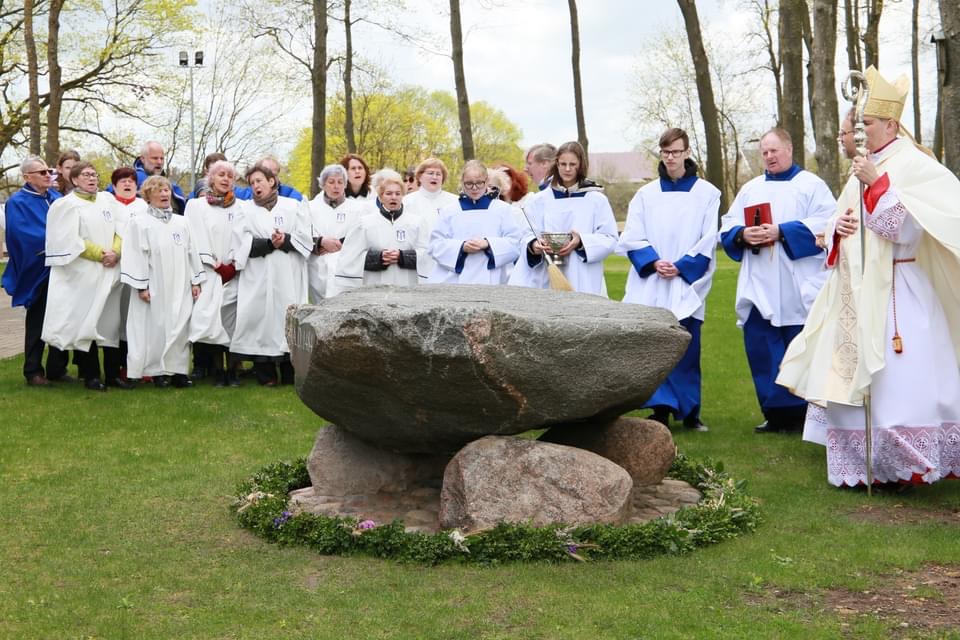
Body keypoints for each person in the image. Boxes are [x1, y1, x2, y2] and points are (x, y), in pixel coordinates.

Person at [778, 66, 960, 487]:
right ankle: (864, 466)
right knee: (851, 374)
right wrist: (837, 230)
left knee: (899, 380)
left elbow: (909, 231)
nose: (860, 133)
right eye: (858, 125)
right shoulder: (865, 164)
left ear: (892, 124)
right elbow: (841, 223)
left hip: (900, 289)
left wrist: (877, 186)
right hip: (856, 292)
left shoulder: (914, 165)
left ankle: (905, 465)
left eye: (869, 124)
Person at [719, 128, 836, 433]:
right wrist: (743, 234)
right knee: (763, 348)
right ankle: (774, 413)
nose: (769, 157)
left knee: (797, 347)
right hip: (760, 281)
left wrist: (782, 231)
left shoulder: (811, 185)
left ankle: (803, 414)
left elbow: (828, 224)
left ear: (789, 149)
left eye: (774, 150)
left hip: (798, 282)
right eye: (765, 152)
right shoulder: (751, 189)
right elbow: (728, 225)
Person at [617, 128, 720, 432]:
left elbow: (708, 238)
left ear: (687, 152)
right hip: (653, 279)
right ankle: (660, 409)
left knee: (687, 347)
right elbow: (632, 235)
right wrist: (653, 261)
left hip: (685, 280)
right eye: (665, 152)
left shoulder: (707, 193)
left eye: (676, 152)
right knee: (654, 346)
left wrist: (682, 266)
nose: (671, 158)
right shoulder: (646, 195)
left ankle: (690, 411)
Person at [41, 162, 129, 391]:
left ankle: (113, 375)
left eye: (94, 174)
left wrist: (116, 251)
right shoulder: (65, 205)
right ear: (74, 179)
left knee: (111, 323)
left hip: (110, 271)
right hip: (84, 273)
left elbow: (123, 228)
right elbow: (68, 239)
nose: (92, 178)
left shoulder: (108, 200)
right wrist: (101, 254)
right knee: (88, 321)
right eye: (86, 175)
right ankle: (91, 375)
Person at [230, 163, 311, 386]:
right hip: (258, 273)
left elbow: (305, 238)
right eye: (252, 183)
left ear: (271, 181)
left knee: (287, 315)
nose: (256, 186)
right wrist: (268, 243)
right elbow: (239, 242)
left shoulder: (293, 206)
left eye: (259, 181)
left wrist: (285, 240)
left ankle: (289, 371)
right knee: (260, 318)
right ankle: (265, 374)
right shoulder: (244, 210)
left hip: (287, 272)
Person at [120, 175, 204, 388]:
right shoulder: (139, 223)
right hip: (154, 284)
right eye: (159, 190)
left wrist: (195, 281)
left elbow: (192, 252)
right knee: (154, 328)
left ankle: (178, 371)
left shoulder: (182, 222)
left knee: (179, 325)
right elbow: (134, 255)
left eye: (167, 190)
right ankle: (156, 372)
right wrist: (141, 286)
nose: (164, 194)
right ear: (148, 196)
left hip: (179, 283)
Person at [509, 140, 618, 296]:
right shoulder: (539, 200)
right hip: (545, 275)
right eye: (563, 164)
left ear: (581, 165)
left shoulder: (596, 200)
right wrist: (534, 245)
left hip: (582, 274)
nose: (567, 169)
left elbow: (610, 238)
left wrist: (581, 241)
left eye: (572, 164)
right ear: (556, 164)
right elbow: (525, 234)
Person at [2, 156, 71, 386]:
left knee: (62, 317)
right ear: (27, 177)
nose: (48, 175)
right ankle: (33, 371)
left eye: (49, 171)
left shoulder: (55, 197)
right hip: (39, 269)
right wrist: (55, 243)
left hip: (62, 268)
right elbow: (20, 234)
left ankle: (57, 368)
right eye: (42, 172)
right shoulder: (17, 202)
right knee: (38, 320)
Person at [185, 160, 242, 387]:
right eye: (221, 174)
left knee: (234, 320)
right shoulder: (197, 206)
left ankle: (234, 371)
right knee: (213, 320)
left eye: (230, 175)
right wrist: (215, 264)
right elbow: (195, 238)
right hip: (209, 271)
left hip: (235, 271)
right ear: (211, 178)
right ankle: (218, 371)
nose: (225, 179)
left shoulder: (241, 207)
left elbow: (243, 236)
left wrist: (234, 264)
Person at [427, 160, 524, 285]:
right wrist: (462, 247)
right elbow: (435, 245)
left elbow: (515, 243)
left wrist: (488, 244)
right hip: (454, 281)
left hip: (492, 280)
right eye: (469, 184)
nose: (474, 188)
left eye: (479, 183)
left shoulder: (503, 210)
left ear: (487, 181)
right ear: (462, 182)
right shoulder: (449, 211)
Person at [334, 169, 430, 291]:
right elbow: (351, 257)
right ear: (380, 197)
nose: (393, 197)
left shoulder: (417, 223)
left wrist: (402, 256)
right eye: (388, 193)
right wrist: (378, 258)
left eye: (398, 193)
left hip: (408, 286)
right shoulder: (364, 224)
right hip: (373, 287)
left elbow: (428, 255)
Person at [307, 164, 367, 301]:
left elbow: (360, 235)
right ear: (323, 184)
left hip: (346, 264)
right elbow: (304, 233)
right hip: (318, 266)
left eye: (340, 182)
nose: (336, 186)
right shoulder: (310, 207)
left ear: (345, 184)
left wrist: (339, 244)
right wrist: (320, 242)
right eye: (331, 182)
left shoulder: (358, 209)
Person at [402, 158, 459, 278]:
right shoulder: (407, 202)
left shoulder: (455, 201)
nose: (435, 177)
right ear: (420, 177)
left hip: (447, 262)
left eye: (438, 174)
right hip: (416, 263)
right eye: (430, 173)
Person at [235, 156, 303, 202]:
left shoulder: (290, 195)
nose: (271, 179)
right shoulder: (246, 195)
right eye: (265, 174)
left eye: (274, 175)